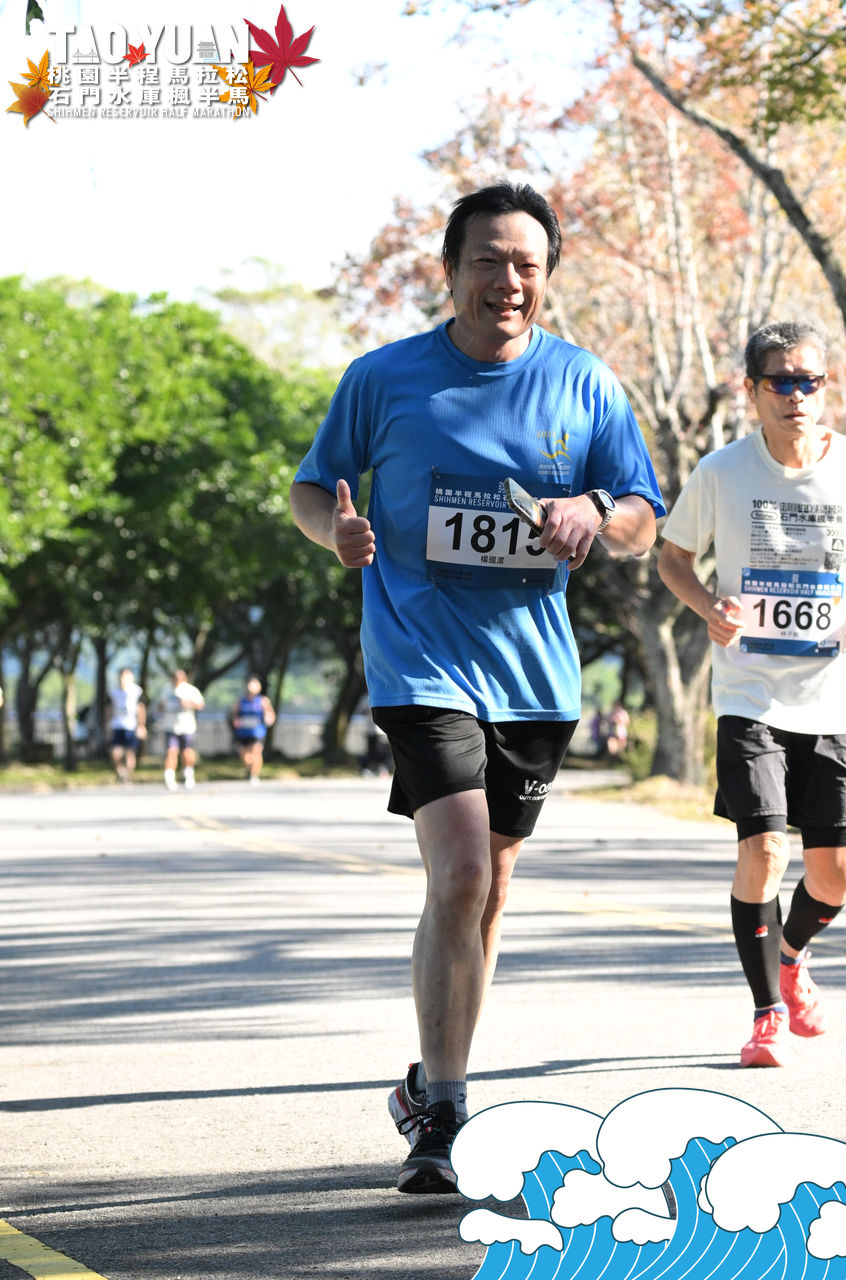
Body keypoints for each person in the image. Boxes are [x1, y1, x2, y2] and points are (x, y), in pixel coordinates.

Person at [290, 181, 664, 1194]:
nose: (507, 281)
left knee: (491, 888)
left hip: (534, 679)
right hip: (419, 660)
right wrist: (336, 531)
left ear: (547, 277)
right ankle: (446, 1112)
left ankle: (427, 1077)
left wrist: (594, 511)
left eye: (526, 265)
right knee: (459, 873)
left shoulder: (584, 382)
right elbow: (311, 487)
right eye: (488, 261)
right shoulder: (384, 378)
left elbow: (642, 515)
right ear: (451, 269)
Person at [658, 320, 846, 1070]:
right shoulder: (721, 472)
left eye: (810, 381)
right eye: (781, 381)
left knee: (834, 876)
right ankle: (766, 1011)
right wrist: (709, 608)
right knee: (764, 849)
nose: (796, 395)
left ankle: (792, 955)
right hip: (749, 696)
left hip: (834, 698)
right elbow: (674, 558)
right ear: (751, 390)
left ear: (826, 388)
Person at [157, 669, 205, 791]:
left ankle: (188, 774)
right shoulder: (167, 690)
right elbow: (160, 706)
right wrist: (164, 707)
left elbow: (200, 705)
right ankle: (169, 777)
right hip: (171, 726)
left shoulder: (191, 690)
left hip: (186, 727)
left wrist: (188, 704)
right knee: (171, 752)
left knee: (186, 752)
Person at [230, 674, 276, 784]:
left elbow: (270, 714)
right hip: (243, 732)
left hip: (257, 732)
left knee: (256, 752)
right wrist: (235, 721)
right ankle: (250, 769)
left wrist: (269, 719)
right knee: (245, 756)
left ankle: (254, 775)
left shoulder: (263, 701)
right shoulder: (241, 702)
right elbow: (233, 714)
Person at [106, 668, 147, 782]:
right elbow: (108, 709)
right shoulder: (113, 692)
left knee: (130, 752)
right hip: (117, 725)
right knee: (115, 752)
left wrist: (141, 725)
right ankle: (120, 771)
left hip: (131, 726)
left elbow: (141, 709)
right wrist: (107, 724)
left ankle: (127, 776)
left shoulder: (137, 691)